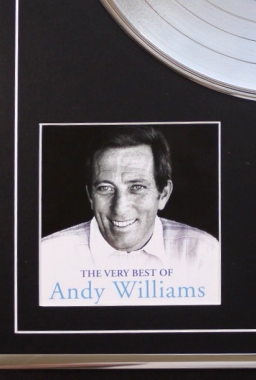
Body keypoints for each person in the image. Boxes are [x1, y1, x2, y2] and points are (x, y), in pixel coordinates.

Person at [40, 126, 220, 306]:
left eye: (137, 187)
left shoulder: (203, 254)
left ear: (163, 195)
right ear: (90, 197)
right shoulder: (48, 256)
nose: (120, 209)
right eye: (105, 188)